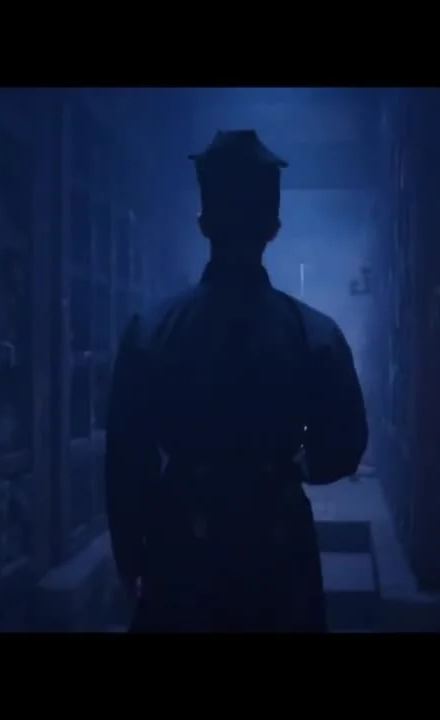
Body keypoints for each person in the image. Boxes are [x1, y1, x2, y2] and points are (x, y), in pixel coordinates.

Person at [104, 130, 368, 633]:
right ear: (273, 227)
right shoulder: (314, 333)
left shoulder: (152, 330)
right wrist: (301, 464)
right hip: (279, 548)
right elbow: (347, 441)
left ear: (204, 222)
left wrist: (130, 553)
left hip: (184, 549)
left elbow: (126, 456)